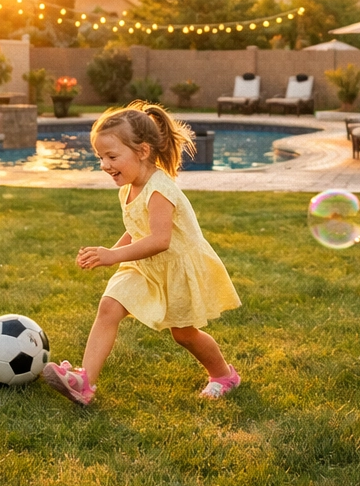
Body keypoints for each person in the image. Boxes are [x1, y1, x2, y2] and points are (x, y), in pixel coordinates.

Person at [42, 102, 242, 405]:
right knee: (109, 306)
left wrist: (112, 256)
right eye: (100, 157)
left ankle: (224, 375)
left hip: (176, 269)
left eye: (112, 157)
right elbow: (137, 229)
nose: (104, 165)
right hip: (144, 267)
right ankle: (84, 382)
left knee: (184, 334)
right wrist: (109, 252)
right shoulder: (128, 187)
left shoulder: (159, 189)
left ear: (143, 151)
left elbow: (160, 240)